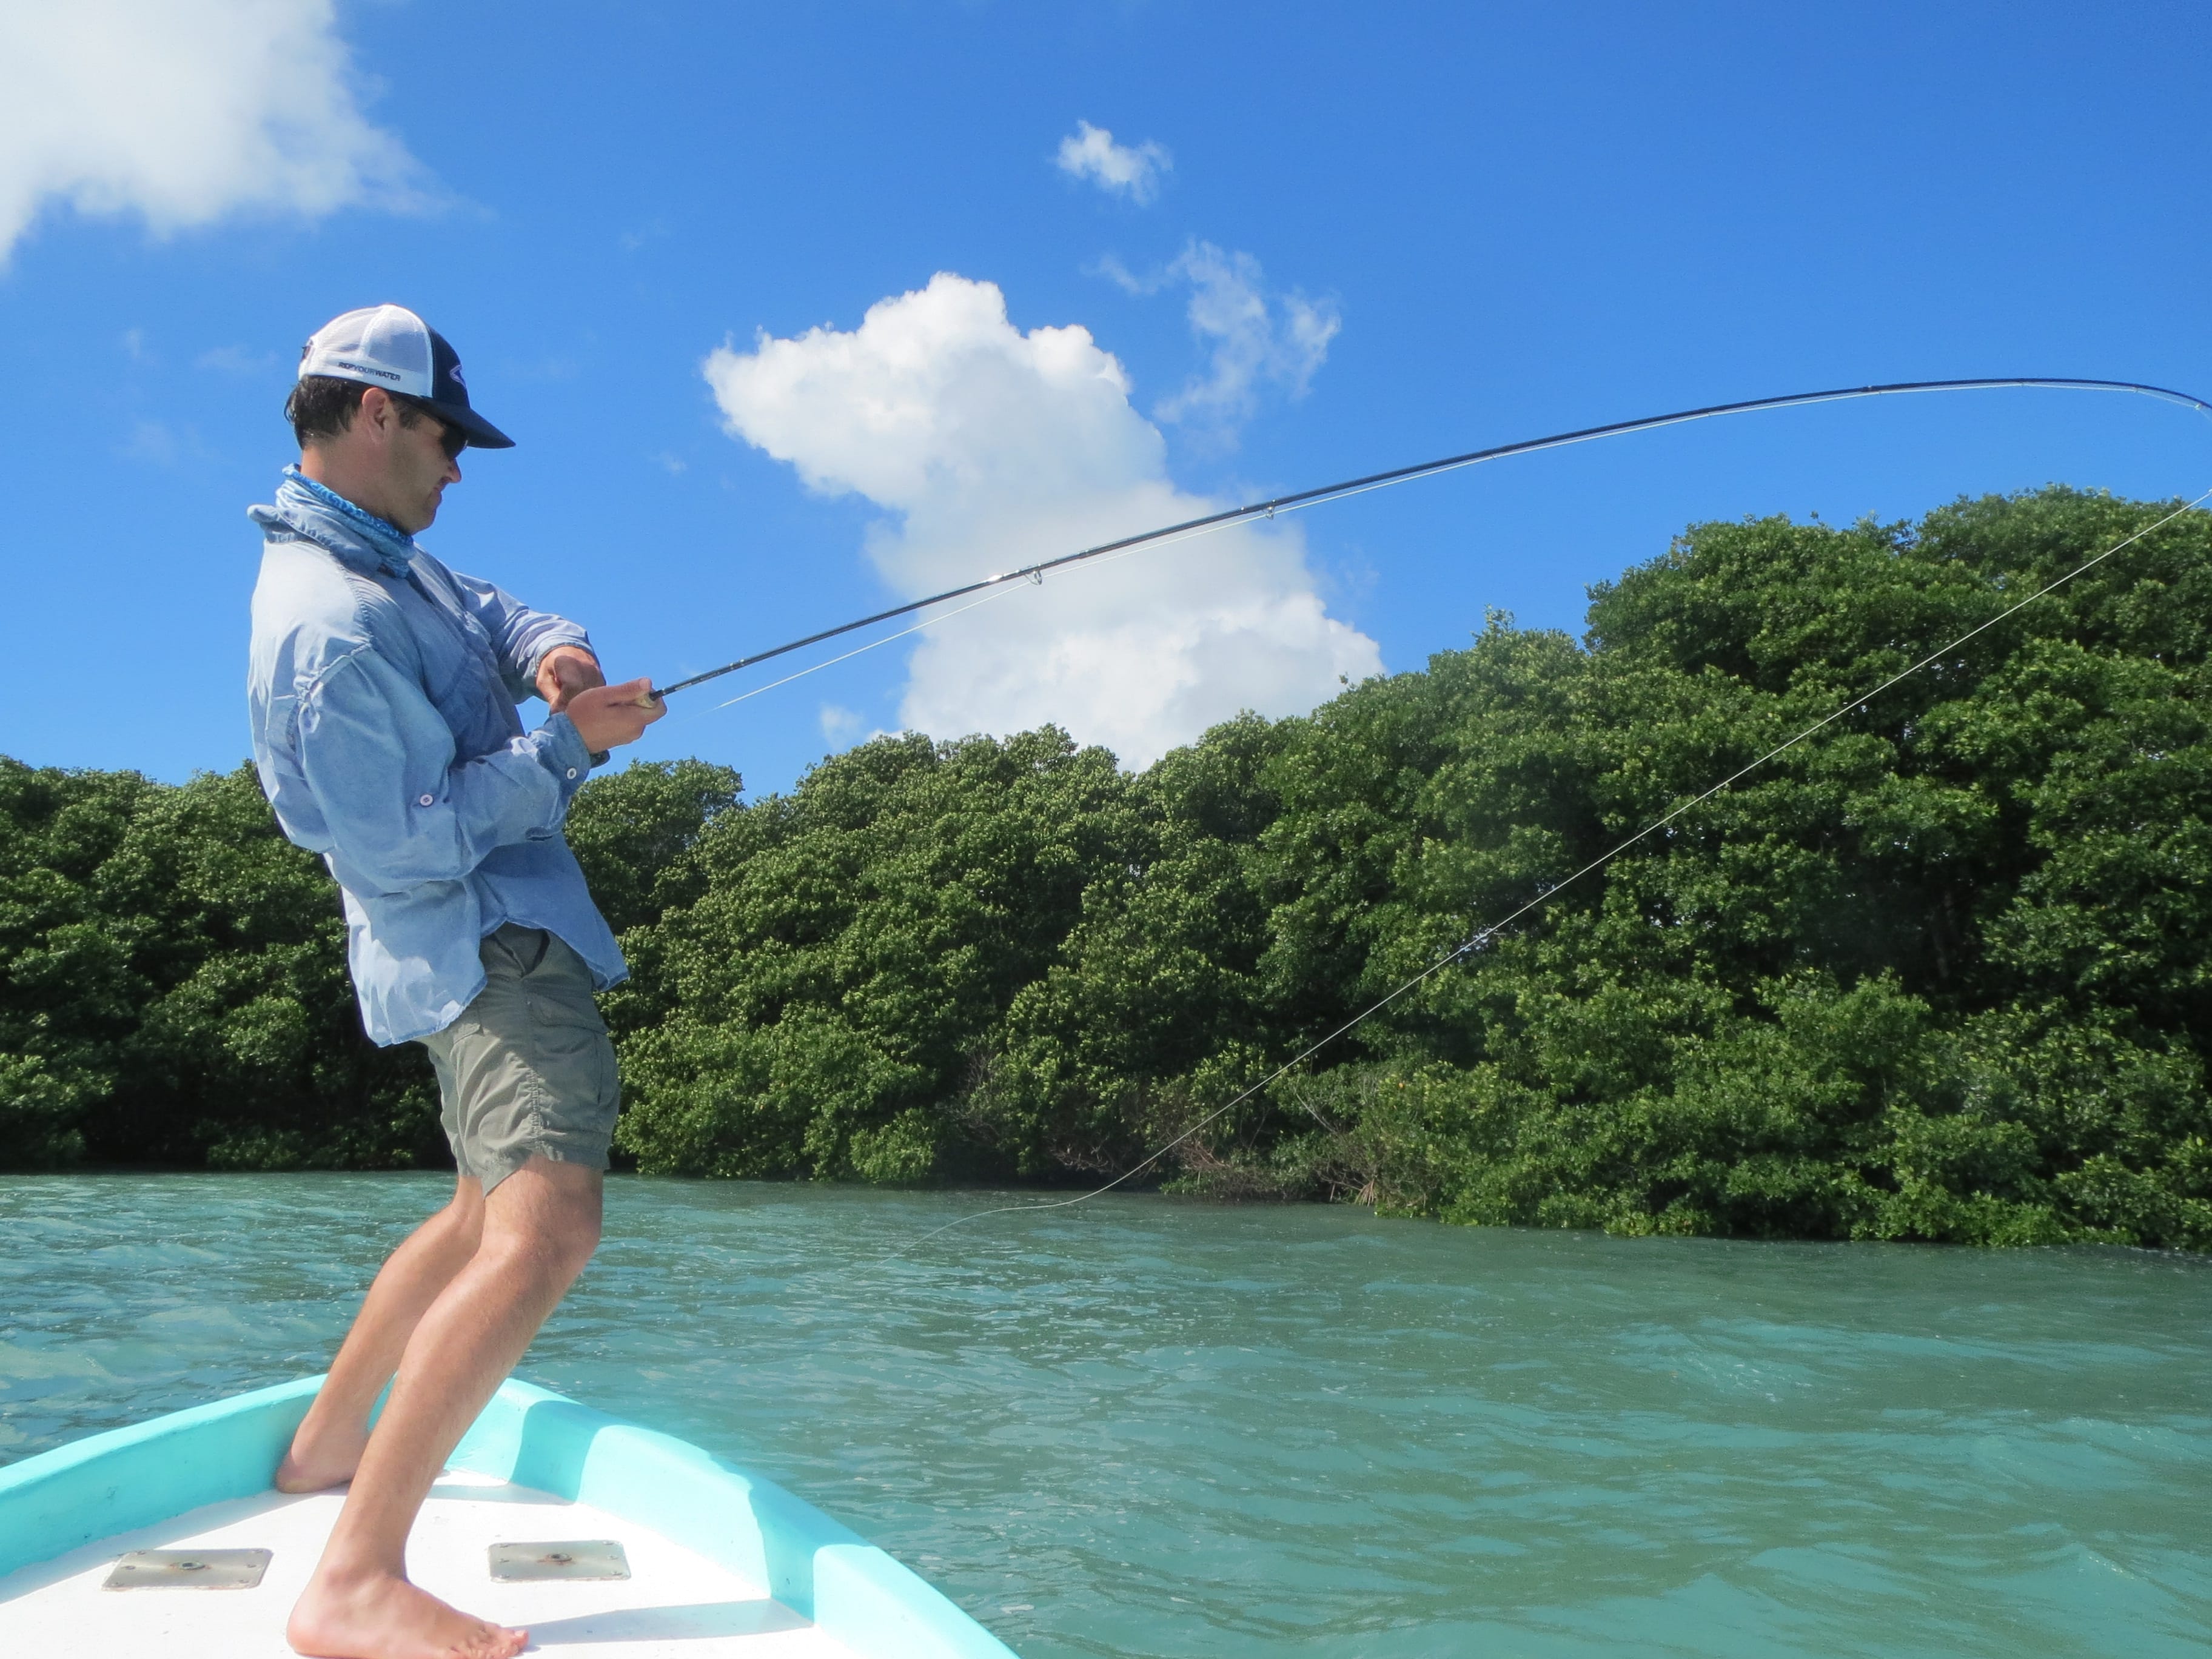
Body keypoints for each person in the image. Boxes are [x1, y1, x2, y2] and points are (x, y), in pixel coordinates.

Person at [244, 303, 663, 1659]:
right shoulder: (327, 629)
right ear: (375, 414)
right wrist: (563, 756)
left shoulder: (386, 565)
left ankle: (323, 1450)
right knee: (549, 1228)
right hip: (484, 945)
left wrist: (555, 659)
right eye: (443, 435)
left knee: (481, 1206)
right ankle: (357, 1577)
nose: (457, 465)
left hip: (483, 939)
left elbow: (490, 606)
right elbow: (400, 847)